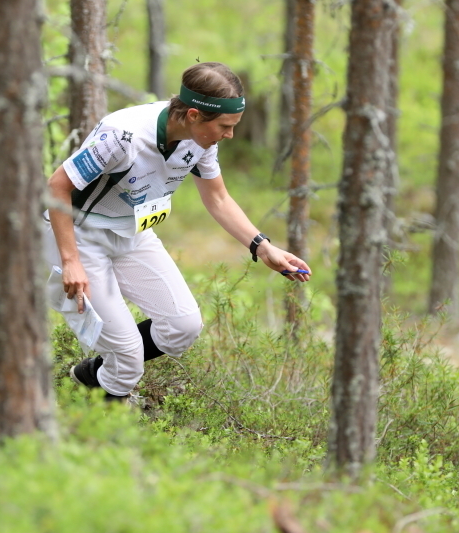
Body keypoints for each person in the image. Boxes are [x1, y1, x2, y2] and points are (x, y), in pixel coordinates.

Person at [44, 62, 311, 402]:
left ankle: (92, 377)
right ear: (195, 115)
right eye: (225, 126)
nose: (229, 135)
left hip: (133, 233)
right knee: (127, 357)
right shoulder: (122, 135)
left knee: (183, 327)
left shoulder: (200, 141)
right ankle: (107, 423)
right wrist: (70, 260)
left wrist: (262, 247)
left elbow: (218, 198)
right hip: (80, 234)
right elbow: (56, 187)